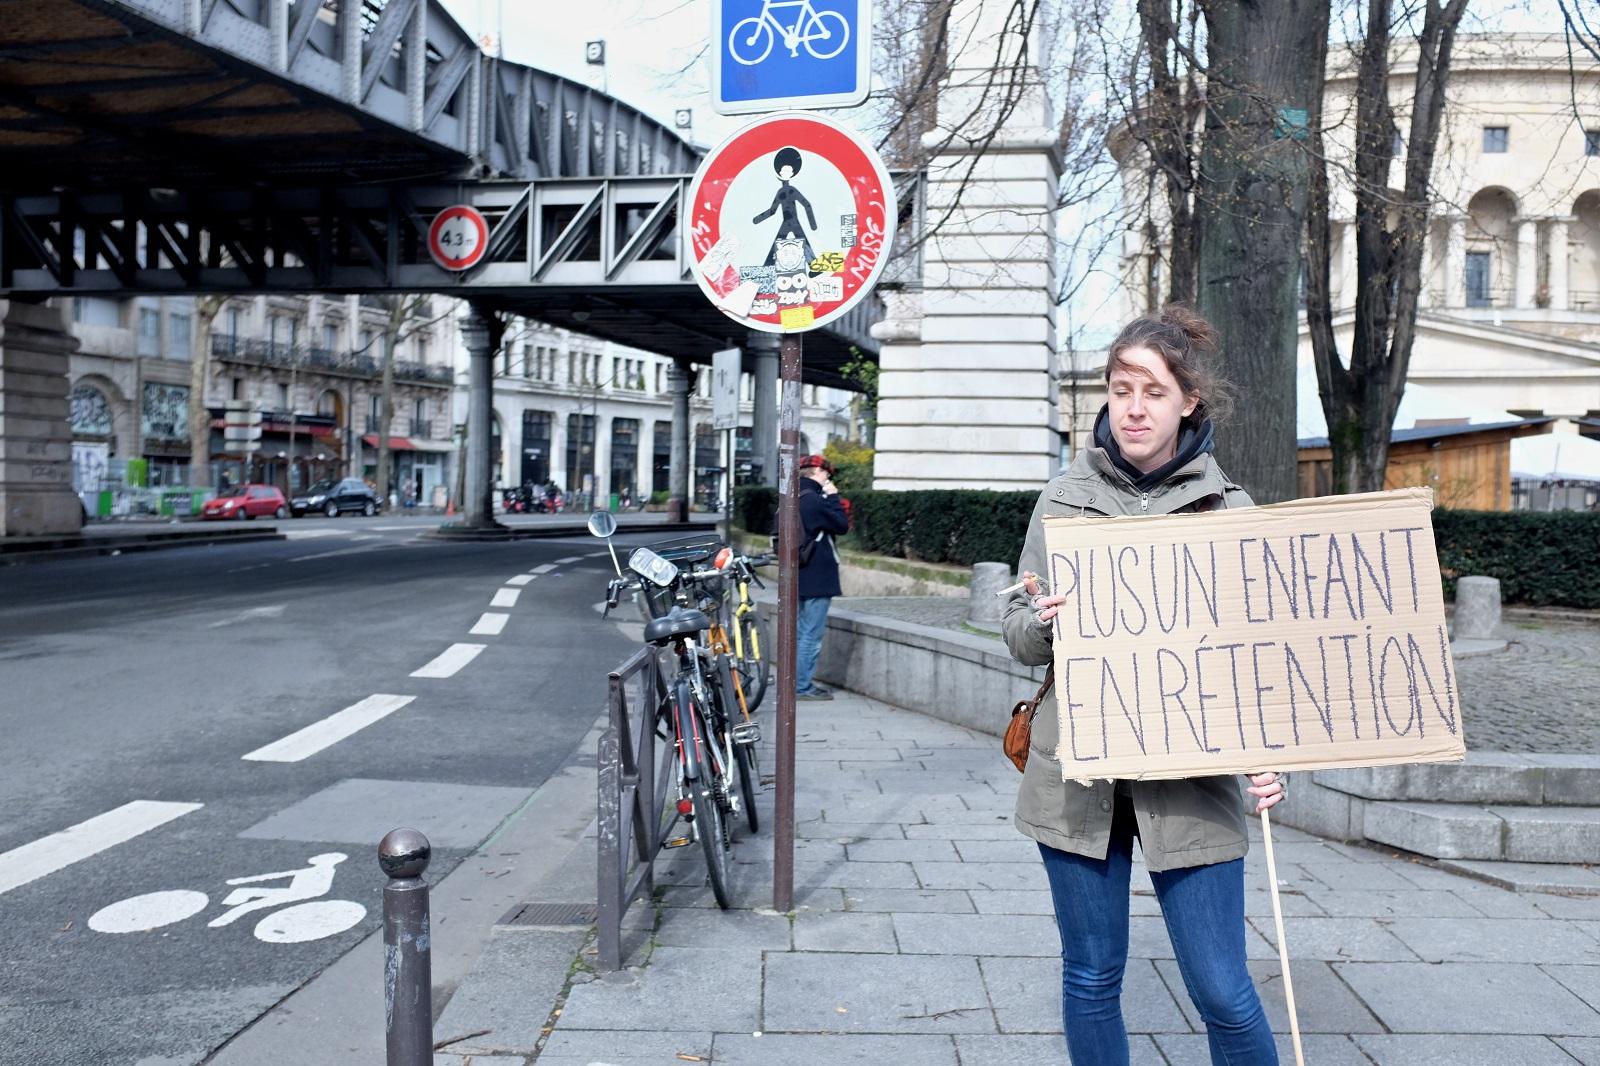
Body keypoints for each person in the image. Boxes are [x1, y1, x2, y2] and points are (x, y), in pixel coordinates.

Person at [1001, 304, 1286, 1066]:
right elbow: (1020, 638)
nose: (1133, 407)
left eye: (1152, 391)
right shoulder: (1062, 497)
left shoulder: (1231, 509)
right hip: (1077, 777)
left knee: (1223, 989)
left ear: (1188, 400)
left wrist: (1274, 753)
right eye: (1120, 388)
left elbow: (1261, 658)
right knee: (1092, 976)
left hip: (1190, 783)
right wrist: (1047, 620)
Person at [796, 453, 849, 701]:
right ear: (816, 473)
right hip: (818, 574)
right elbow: (841, 525)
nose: (828, 477)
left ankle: (795, 682)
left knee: (799, 631)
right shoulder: (816, 501)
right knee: (811, 635)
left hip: (798, 573)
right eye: (826, 474)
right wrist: (834, 496)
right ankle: (803, 686)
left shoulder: (792, 498)